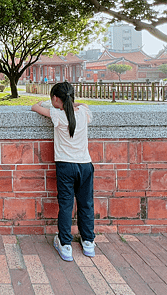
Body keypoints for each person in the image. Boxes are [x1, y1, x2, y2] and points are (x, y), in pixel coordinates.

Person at [31, 82, 95, 262]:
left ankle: (66, 245)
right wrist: (73, 104)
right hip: (85, 165)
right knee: (86, 203)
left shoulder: (57, 114)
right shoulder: (83, 113)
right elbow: (84, 106)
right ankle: (88, 242)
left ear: (56, 99)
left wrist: (45, 102)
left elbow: (34, 107)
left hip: (66, 166)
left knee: (66, 205)